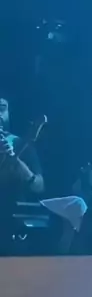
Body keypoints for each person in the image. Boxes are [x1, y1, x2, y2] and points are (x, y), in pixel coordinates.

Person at [0, 96, 44, 253]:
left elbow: (39, 186)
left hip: (15, 222)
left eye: (2, 108)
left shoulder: (21, 144)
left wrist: (15, 160)